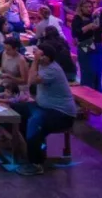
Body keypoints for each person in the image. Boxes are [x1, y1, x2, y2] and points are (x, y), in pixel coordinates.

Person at [9, 43, 77, 176]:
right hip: (42, 106)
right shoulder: (42, 65)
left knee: (34, 123)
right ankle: (28, 145)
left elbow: (31, 81)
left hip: (61, 114)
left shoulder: (52, 70)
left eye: (40, 55)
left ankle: (36, 163)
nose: (38, 57)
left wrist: (35, 60)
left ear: (48, 57)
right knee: (15, 109)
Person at [71, 0, 102, 92]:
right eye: (87, 7)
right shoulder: (77, 19)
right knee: (88, 72)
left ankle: (98, 93)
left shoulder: (94, 16)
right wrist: (89, 27)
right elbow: (76, 33)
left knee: (98, 72)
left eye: (90, 7)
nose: (89, 9)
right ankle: (87, 93)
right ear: (81, 8)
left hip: (98, 46)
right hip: (85, 47)